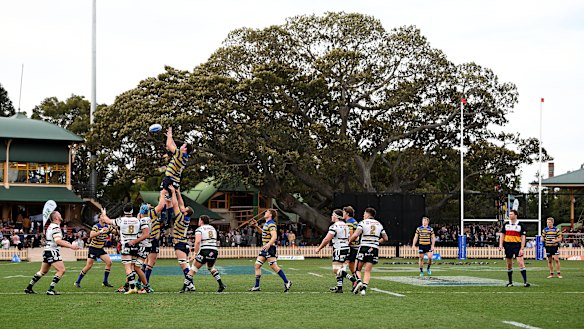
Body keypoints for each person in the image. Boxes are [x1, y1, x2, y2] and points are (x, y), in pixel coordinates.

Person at [24, 210, 80, 295]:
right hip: (52, 251)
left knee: (42, 272)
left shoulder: (51, 226)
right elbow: (58, 241)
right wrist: (71, 246)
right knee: (61, 270)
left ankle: (28, 288)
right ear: (56, 217)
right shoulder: (56, 227)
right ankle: (50, 289)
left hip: (47, 250)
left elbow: (57, 240)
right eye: (59, 214)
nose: (61, 215)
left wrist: (68, 244)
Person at [101, 203, 150, 294]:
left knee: (127, 267)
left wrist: (103, 213)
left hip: (126, 244)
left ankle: (132, 287)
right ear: (132, 211)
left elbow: (107, 220)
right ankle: (135, 286)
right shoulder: (137, 220)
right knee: (133, 267)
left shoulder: (121, 220)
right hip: (135, 245)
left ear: (124, 211)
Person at [248, 209, 292, 292]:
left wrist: (268, 244)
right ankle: (257, 286)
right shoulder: (267, 224)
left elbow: (274, 236)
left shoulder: (271, 224)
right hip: (265, 247)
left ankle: (287, 282)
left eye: (267, 212)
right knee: (257, 266)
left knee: (273, 266)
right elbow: (263, 232)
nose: (265, 213)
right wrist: (256, 226)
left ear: (270, 215)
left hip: (269, 247)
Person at [181, 215, 226, 293]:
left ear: (201, 221)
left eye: (199, 220)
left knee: (193, 269)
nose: (198, 222)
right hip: (214, 250)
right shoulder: (213, 228)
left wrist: (195, 253)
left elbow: (197, 242)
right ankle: (221, 284)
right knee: (211, 268)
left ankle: (184, 287)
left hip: (205, 250)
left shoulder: (199, 229)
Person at [348, 207, 388, 296]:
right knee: (367, 271)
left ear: (368, 214)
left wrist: (349, 241)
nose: (363, 215)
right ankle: (363, 289)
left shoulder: (363, 223)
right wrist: (377, 241)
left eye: (364, 214)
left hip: (364, 247)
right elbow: (386, 238)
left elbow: (355, 235)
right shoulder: (379, 224)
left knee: (357, 269)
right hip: (374, 248)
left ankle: (358, 281)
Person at [315, 209, 353, 293]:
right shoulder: (345, 225)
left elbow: (326, 239)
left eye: (332, 215)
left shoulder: (334, 226)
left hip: (339, 248)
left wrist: (319, 248)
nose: (331, 216)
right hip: (346, 248)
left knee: (336, 269)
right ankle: (339, 287)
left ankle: (354, 280)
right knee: (341, 268)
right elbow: (350, 237)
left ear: (336, 216)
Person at [74, 214, 116, 288]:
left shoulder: (108, 226)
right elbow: (91, 235)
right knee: (89, 265)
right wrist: (101, 231)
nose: (104, 218)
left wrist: (117, 228)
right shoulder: (96, 226)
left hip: (100, 249)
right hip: (93, 248)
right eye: (102, 217)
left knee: (109, 262)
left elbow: (115, 232)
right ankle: (77, 281)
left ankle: (105, 282)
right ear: (99, 219)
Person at [168, 186, 194, 285]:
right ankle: (190, 284)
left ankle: (190, 284)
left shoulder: (180, 217)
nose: (183, 208)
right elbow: (181, 204)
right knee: (186, 265)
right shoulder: (186, 218)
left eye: (185, 209)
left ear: (186, 212)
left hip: (179, 243)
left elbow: (175, 205)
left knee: (183, 265)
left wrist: (173, 192)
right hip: (184, 243)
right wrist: (178, 192)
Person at [498, 209, 530, 287]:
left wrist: (522, 248)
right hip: (508, 245)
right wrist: (500, 245)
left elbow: (523, 237)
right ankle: (510, 282)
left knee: (520, 262)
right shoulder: (506, 224)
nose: (510, 215)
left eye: (511, 214)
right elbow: (502, 235)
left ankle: (525, 282)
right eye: (510, 214)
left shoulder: (520, 225)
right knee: (509, 264)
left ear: (516, 215)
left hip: (517, 245)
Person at [144, 190, 170, 286]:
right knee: (151, 261)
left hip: (146, 240)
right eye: (149, 204)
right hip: (153, 240)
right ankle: (145, 283)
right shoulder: (151, 213)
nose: (150, 205)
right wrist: (162, 194)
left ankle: (140, 282)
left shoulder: (142, 216)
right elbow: (161, 205)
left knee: (146, 261)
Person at [160, 127, 189, 200]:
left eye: (183, 145)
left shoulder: (181, 155)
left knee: (163, 198)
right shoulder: (183, 156)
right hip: (174, 180)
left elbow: (169, 145)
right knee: (169, 200)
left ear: (185, 149)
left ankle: (158, 211)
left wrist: (170, 136)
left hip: (170, 179)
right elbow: (174, 146)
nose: (181, 146)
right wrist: (170, 136)